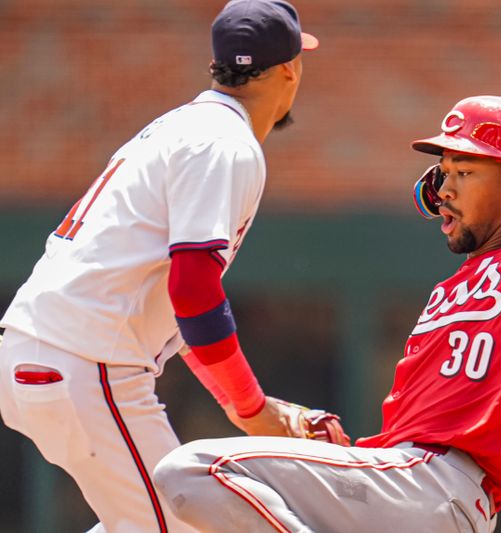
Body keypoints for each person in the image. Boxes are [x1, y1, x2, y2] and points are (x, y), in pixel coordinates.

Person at [152, 12, 501, 533]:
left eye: (464, 172)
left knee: (192, 471)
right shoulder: (452, 286)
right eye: (442, 174)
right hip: (406, 484)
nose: (445, 189)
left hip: (437, 483)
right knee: (152, 520)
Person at [0, 1, 347, 532]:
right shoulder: (225, 144)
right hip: (89, 363)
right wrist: (253, 411)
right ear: (289, 70)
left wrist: (245, 404)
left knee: (153, 521)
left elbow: (180, 307)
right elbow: (194, 292)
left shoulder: (183, 126)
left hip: (53, 351)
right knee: (192, 524)